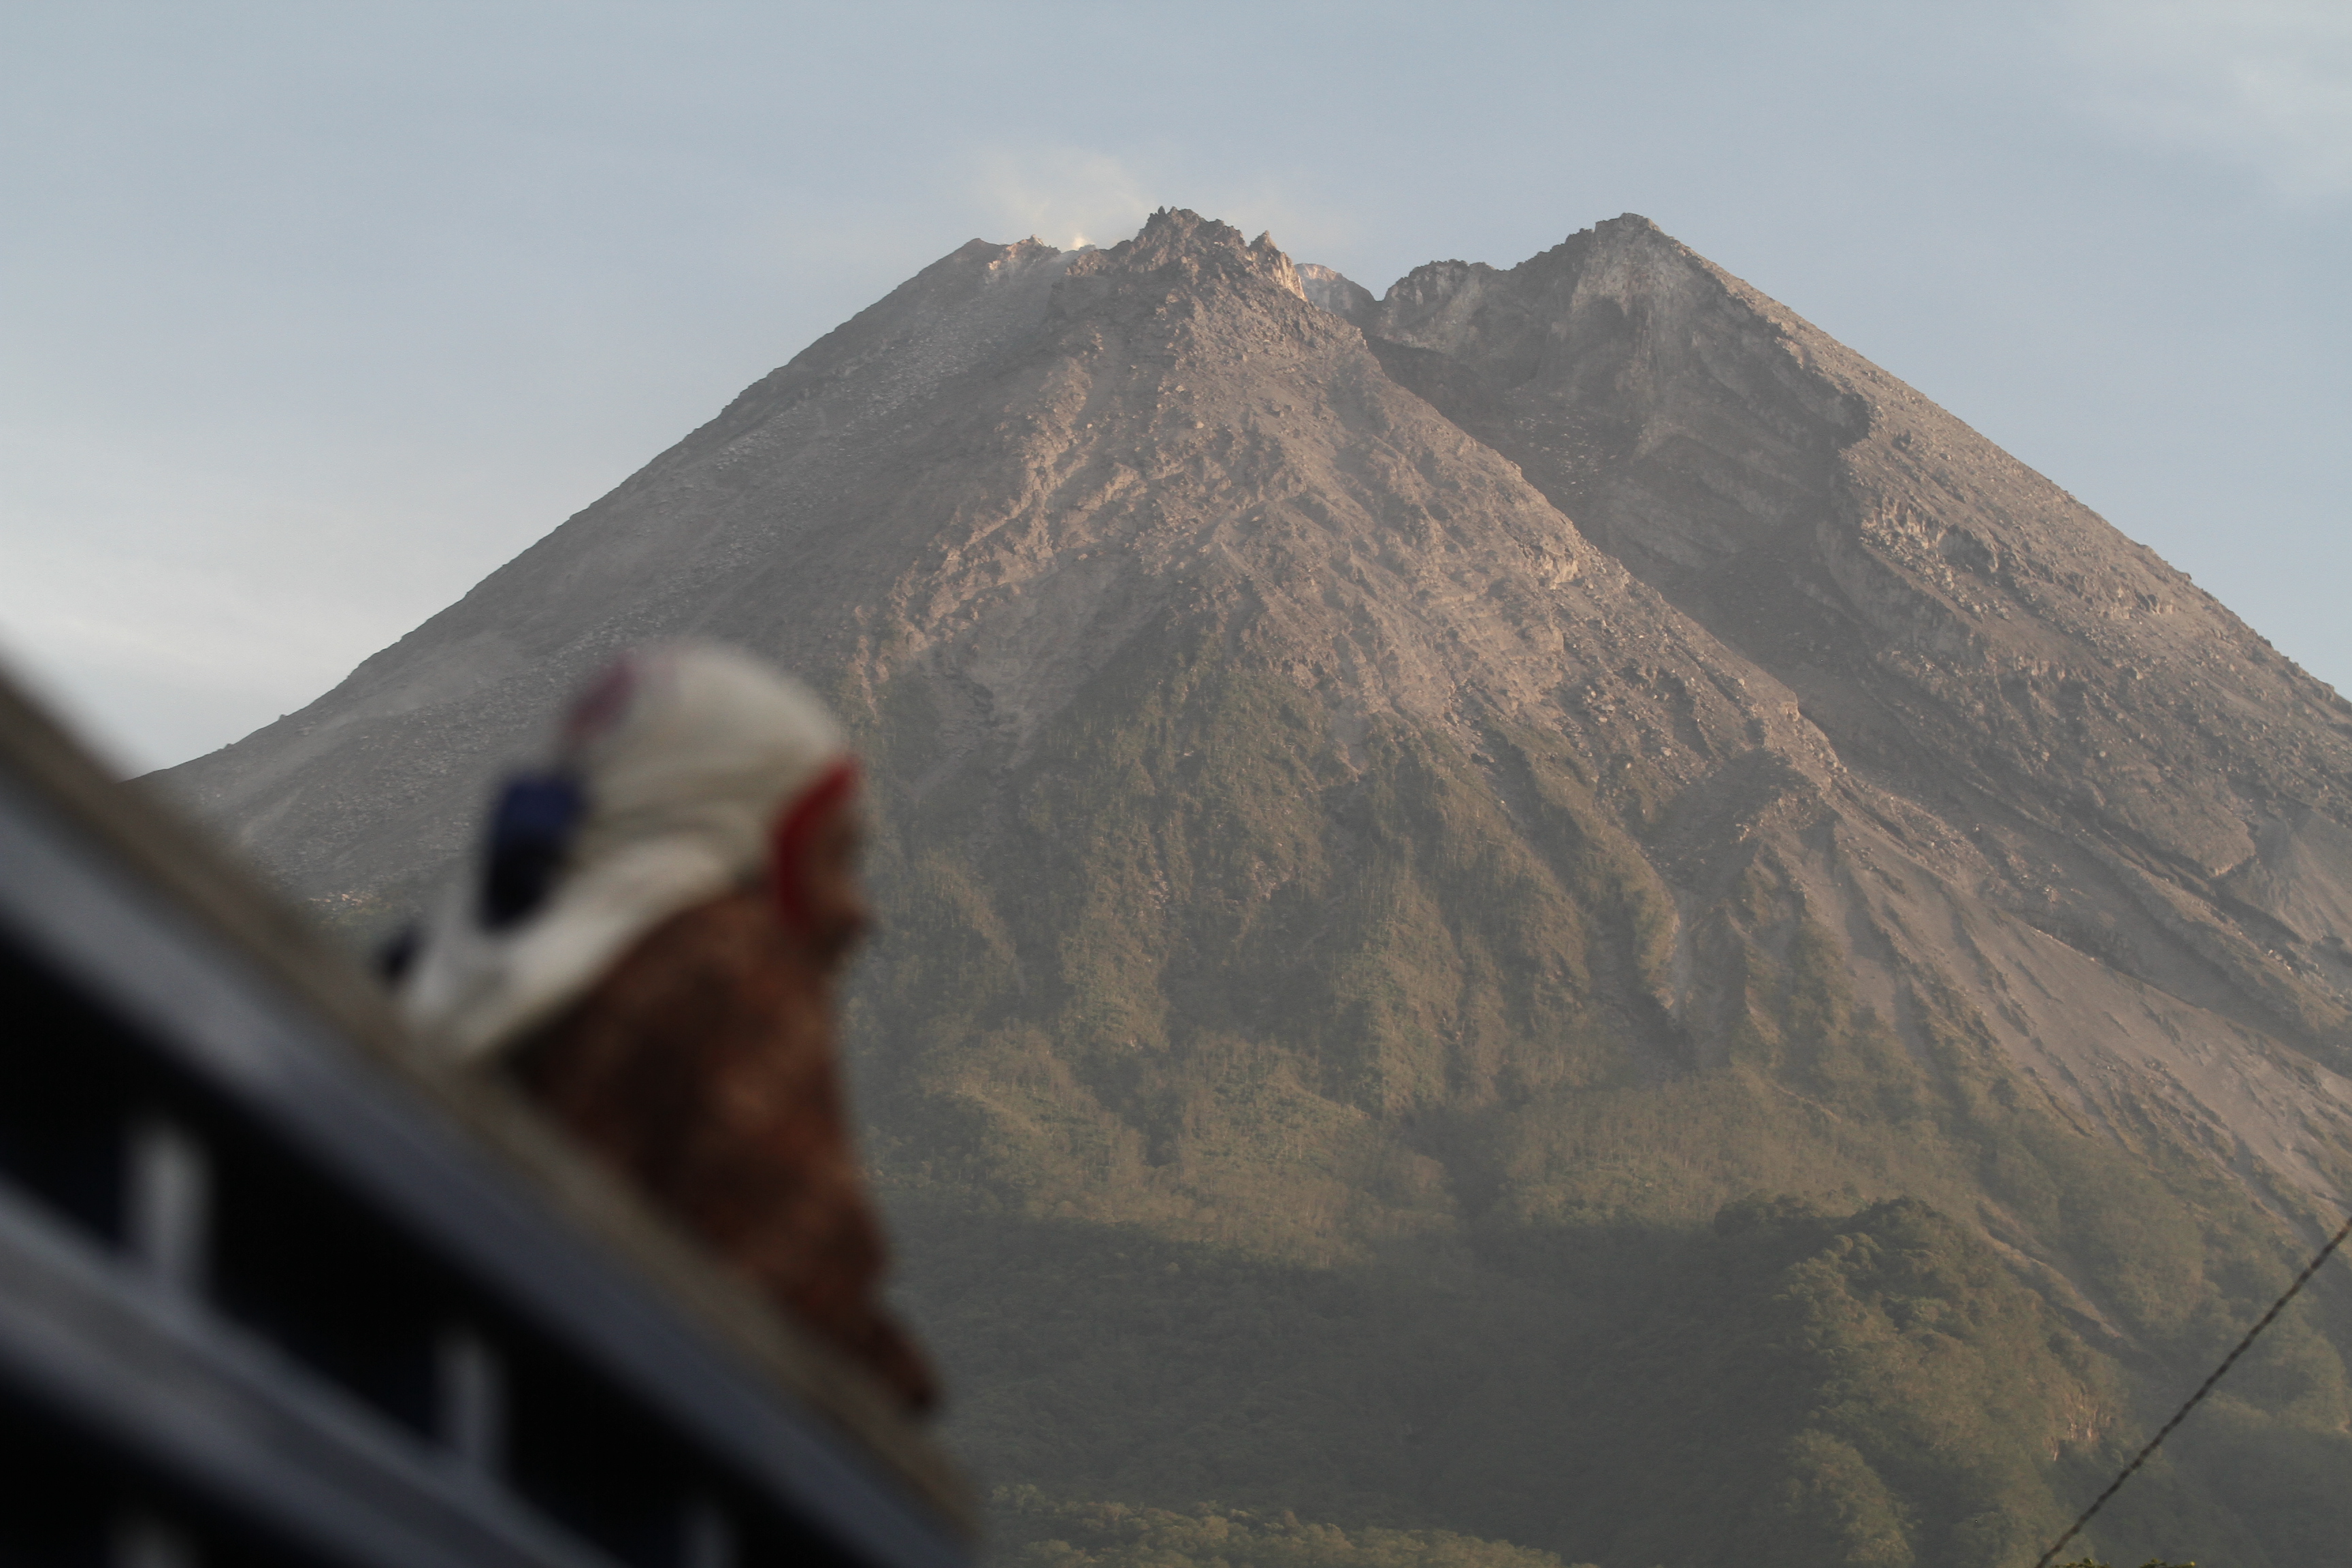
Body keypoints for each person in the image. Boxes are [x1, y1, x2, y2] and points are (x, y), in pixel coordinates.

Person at [397, 642, 936, 1413]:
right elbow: (810, 1306)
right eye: (836, 856)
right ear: (750, 837)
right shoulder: (726, 971)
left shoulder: (450, 973)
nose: (858, 911)